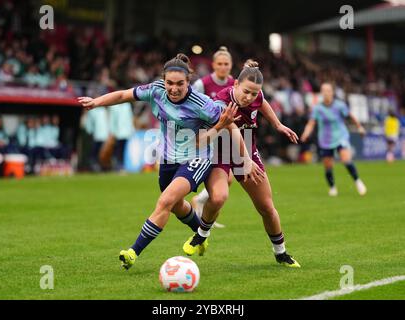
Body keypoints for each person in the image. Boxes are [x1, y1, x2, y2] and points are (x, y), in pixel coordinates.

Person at [78, 54, 264, 270]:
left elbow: (230, 126)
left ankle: (133, 252)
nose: (174, 88)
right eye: (170, 83)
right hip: (168, 158)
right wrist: (96, 102)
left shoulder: (202, 104)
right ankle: (201, 234)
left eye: (180, 84)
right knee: (176, 206)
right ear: (163, 80)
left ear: (188, 82)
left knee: (165, 201)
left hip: (197, 157)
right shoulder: (155, 90)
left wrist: (246, 159)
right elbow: (122, 95)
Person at [183, 60, 301, 268]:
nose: (249, 97)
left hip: (246, 148)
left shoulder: (256, 96)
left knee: (266, 207)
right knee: (218, 197)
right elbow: (231, 129)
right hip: (220, 150)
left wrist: (278, 124)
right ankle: (201, 235)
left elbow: (262, 102)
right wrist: (245, 160)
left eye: (254, 93)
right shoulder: (221, 101)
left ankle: (280, 253)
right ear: (235, 84)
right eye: (246, 91)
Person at [192, 46, 235, 228]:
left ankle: (201, 205)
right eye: (220, 64)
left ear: (231, 65)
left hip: (227, 137)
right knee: (220, 176)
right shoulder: (203, 84)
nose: (223, 67)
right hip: (208, 137)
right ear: (213, 65)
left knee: (230, 179)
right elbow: (191, 105)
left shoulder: (235, 83)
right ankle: (203, 215)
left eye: (226, 64)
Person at [301, 82, 367, 197]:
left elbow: (350, 116)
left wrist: (360, 127)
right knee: (328, 166)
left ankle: (357, 181)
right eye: (323, 91)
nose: (326, 93)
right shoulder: (318, 108)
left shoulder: (339, 105)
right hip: (325, 140)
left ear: (332, 92)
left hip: (340, 136)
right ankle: (332, 187)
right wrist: (306, 133)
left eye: (328, 90)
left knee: (346, 159)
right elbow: (311, 123)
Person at [108, 102, 135, 171]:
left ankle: (122, 165)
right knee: (118, 150)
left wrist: (132, 129)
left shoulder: (127, 105)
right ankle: (118, 165)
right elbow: (112, 120)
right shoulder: (114, 106)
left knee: (124, 150)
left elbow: (130, 117)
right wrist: (112, 132)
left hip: (126, 132)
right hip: (118, 133)